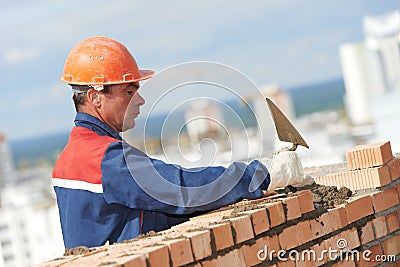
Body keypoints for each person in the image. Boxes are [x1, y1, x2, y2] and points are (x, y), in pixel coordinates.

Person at [53, 36, 311, 249]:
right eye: (129, 92)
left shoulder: (71, 158)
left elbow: (150, 212)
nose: (140, 101)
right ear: (95, 97)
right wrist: (264, 175)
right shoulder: (104, 161)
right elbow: (180, 187)